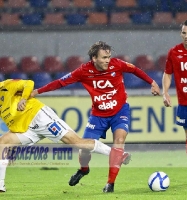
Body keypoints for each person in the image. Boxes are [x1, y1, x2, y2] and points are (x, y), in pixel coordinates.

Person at [31, 41, 160, 192]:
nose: (107, 60)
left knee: (119, 141)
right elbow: (61, 82)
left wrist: (152, 82)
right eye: (104, 57)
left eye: (109, 57)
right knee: (84, 149)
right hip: (98, 115)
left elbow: (135, 70)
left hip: (120, 111)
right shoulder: (83, 71)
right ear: (94, 58)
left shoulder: (117, 64)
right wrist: (37, 92)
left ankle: (110, 184)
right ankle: (83, 169)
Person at [0, 79, 118, 193]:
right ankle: (0, 185)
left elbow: (28, 83)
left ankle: (116, 153)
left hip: (39, 117)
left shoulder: (5, 86)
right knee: (3, 142)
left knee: (77, 142)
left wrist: (23, 99)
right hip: (26, 130)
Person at [162, 20, 187, 184]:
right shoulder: (174, 52)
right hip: (185, 103)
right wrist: (165, 93)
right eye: (183, 33)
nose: (186, 36)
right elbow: (167, 74)